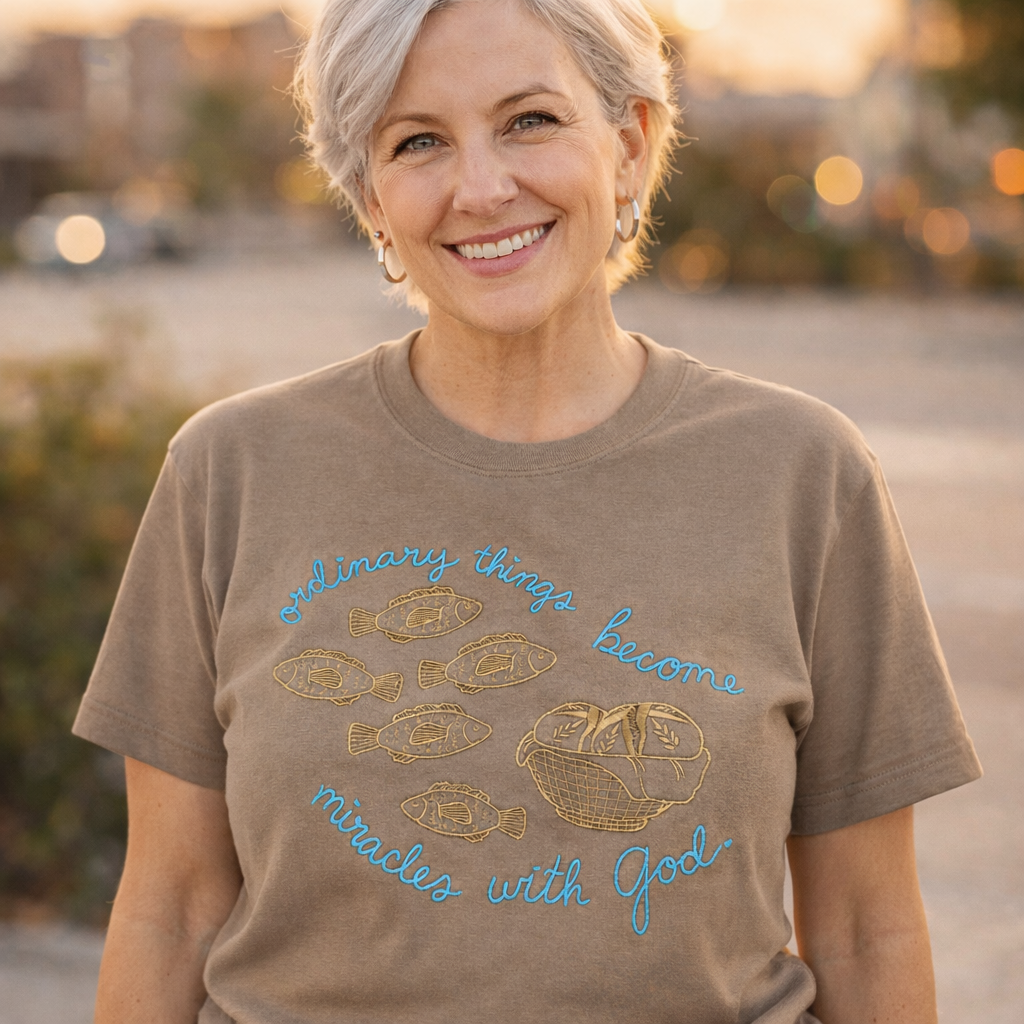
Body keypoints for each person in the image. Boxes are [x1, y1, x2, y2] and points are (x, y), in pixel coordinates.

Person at [74, 1, 982, 1021]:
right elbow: (170, 907)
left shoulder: (803, 474)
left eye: (530, 121)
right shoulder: (227, 474)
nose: (480, 187)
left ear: (630, 145)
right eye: (417, 141)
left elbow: (868, 927)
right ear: (370, 198)